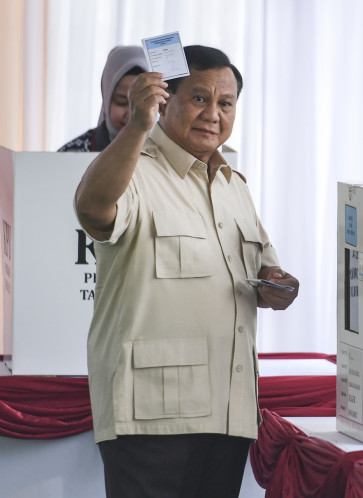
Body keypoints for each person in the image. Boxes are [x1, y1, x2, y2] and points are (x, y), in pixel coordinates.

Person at [74, 45, 299, 497]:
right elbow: (93, 208)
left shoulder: (233, 183)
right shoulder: (133, 169)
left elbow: (266, 270)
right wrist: (138, 125)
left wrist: (279, 286)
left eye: (225, 103)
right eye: (199, 98)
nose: (212, 114)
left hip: (228, 410)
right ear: (164, 99)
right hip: (151, 416)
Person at [59, 46, 147, 152]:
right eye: (121, 101)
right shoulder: (72, 153)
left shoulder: (165, 154)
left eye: (142, 103)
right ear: (106, 97)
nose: (130, 114)